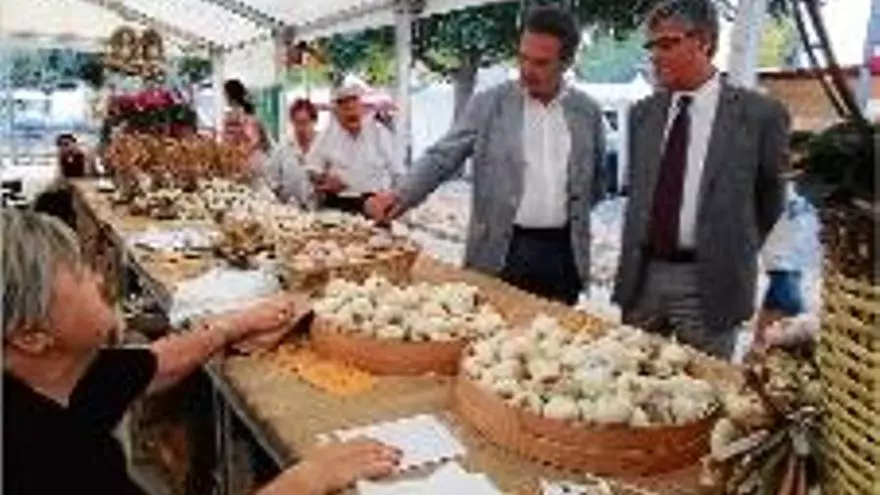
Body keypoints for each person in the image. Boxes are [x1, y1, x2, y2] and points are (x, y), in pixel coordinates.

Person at [2, 210, 401, 495]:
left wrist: (235, 325)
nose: (99, 276)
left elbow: (157, 364)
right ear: (31, 336)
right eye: (80, 274)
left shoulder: (54, 374)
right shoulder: (48, 459)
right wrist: (307, 480)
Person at [366, 6, 606, 305]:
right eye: (523, 58)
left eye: (541, 63)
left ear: (567, 62)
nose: (527, 70)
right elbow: (442, 157)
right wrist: (400, 195)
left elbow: (597, 182)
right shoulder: (490, 104)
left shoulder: (587, 112)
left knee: (557, 331)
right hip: (502, 250)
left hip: (563, 255)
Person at [612, 0, 789, 359]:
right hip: (643, 279)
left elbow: (770, 200)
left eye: (667, 43)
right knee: (630, 379)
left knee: (706, 386)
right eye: (651, 45)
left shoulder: (760, 116)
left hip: (710, 283)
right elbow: (640, 196)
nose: (655, 55)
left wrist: (730, 245)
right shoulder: (643, 115)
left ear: (704, 41)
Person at [309, 83, 401, 214]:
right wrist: (325, 179)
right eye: (345, 108)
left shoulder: (379, 132)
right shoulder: (327, 135)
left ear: (362, 108)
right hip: (338, 203)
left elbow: (397, 171)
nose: (350, 111)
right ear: (337, 113)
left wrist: (393, 199)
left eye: (354, 106)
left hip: (374, 202)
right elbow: (312, 167)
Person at [261, 98, 319, 207]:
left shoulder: (324, 146)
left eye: (305, 122)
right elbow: (271, 179)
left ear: (314, 121)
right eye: (297, 123)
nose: (300, 128)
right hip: (290, 210)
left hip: (322, 209)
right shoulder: (283, 149)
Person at [33, 134, 92, 227]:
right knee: (43, 198)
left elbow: (87, 176)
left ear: (74, 144)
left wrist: (68, 185)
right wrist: (51, 188)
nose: (63, 148)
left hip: (81, 189)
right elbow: (60, 176)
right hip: (68, 188)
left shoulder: (84, 156)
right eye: (60, 145)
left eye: (66, 144)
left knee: (54, 202)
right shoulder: (62, 157)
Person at [222, 79, 272, 176]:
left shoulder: (242, 115)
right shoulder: (242, 113)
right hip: (248, 159)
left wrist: (240, 153)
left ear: (229, 96)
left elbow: (254, 140)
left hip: (250, 161)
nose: (224, 97)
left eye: (225, 94)